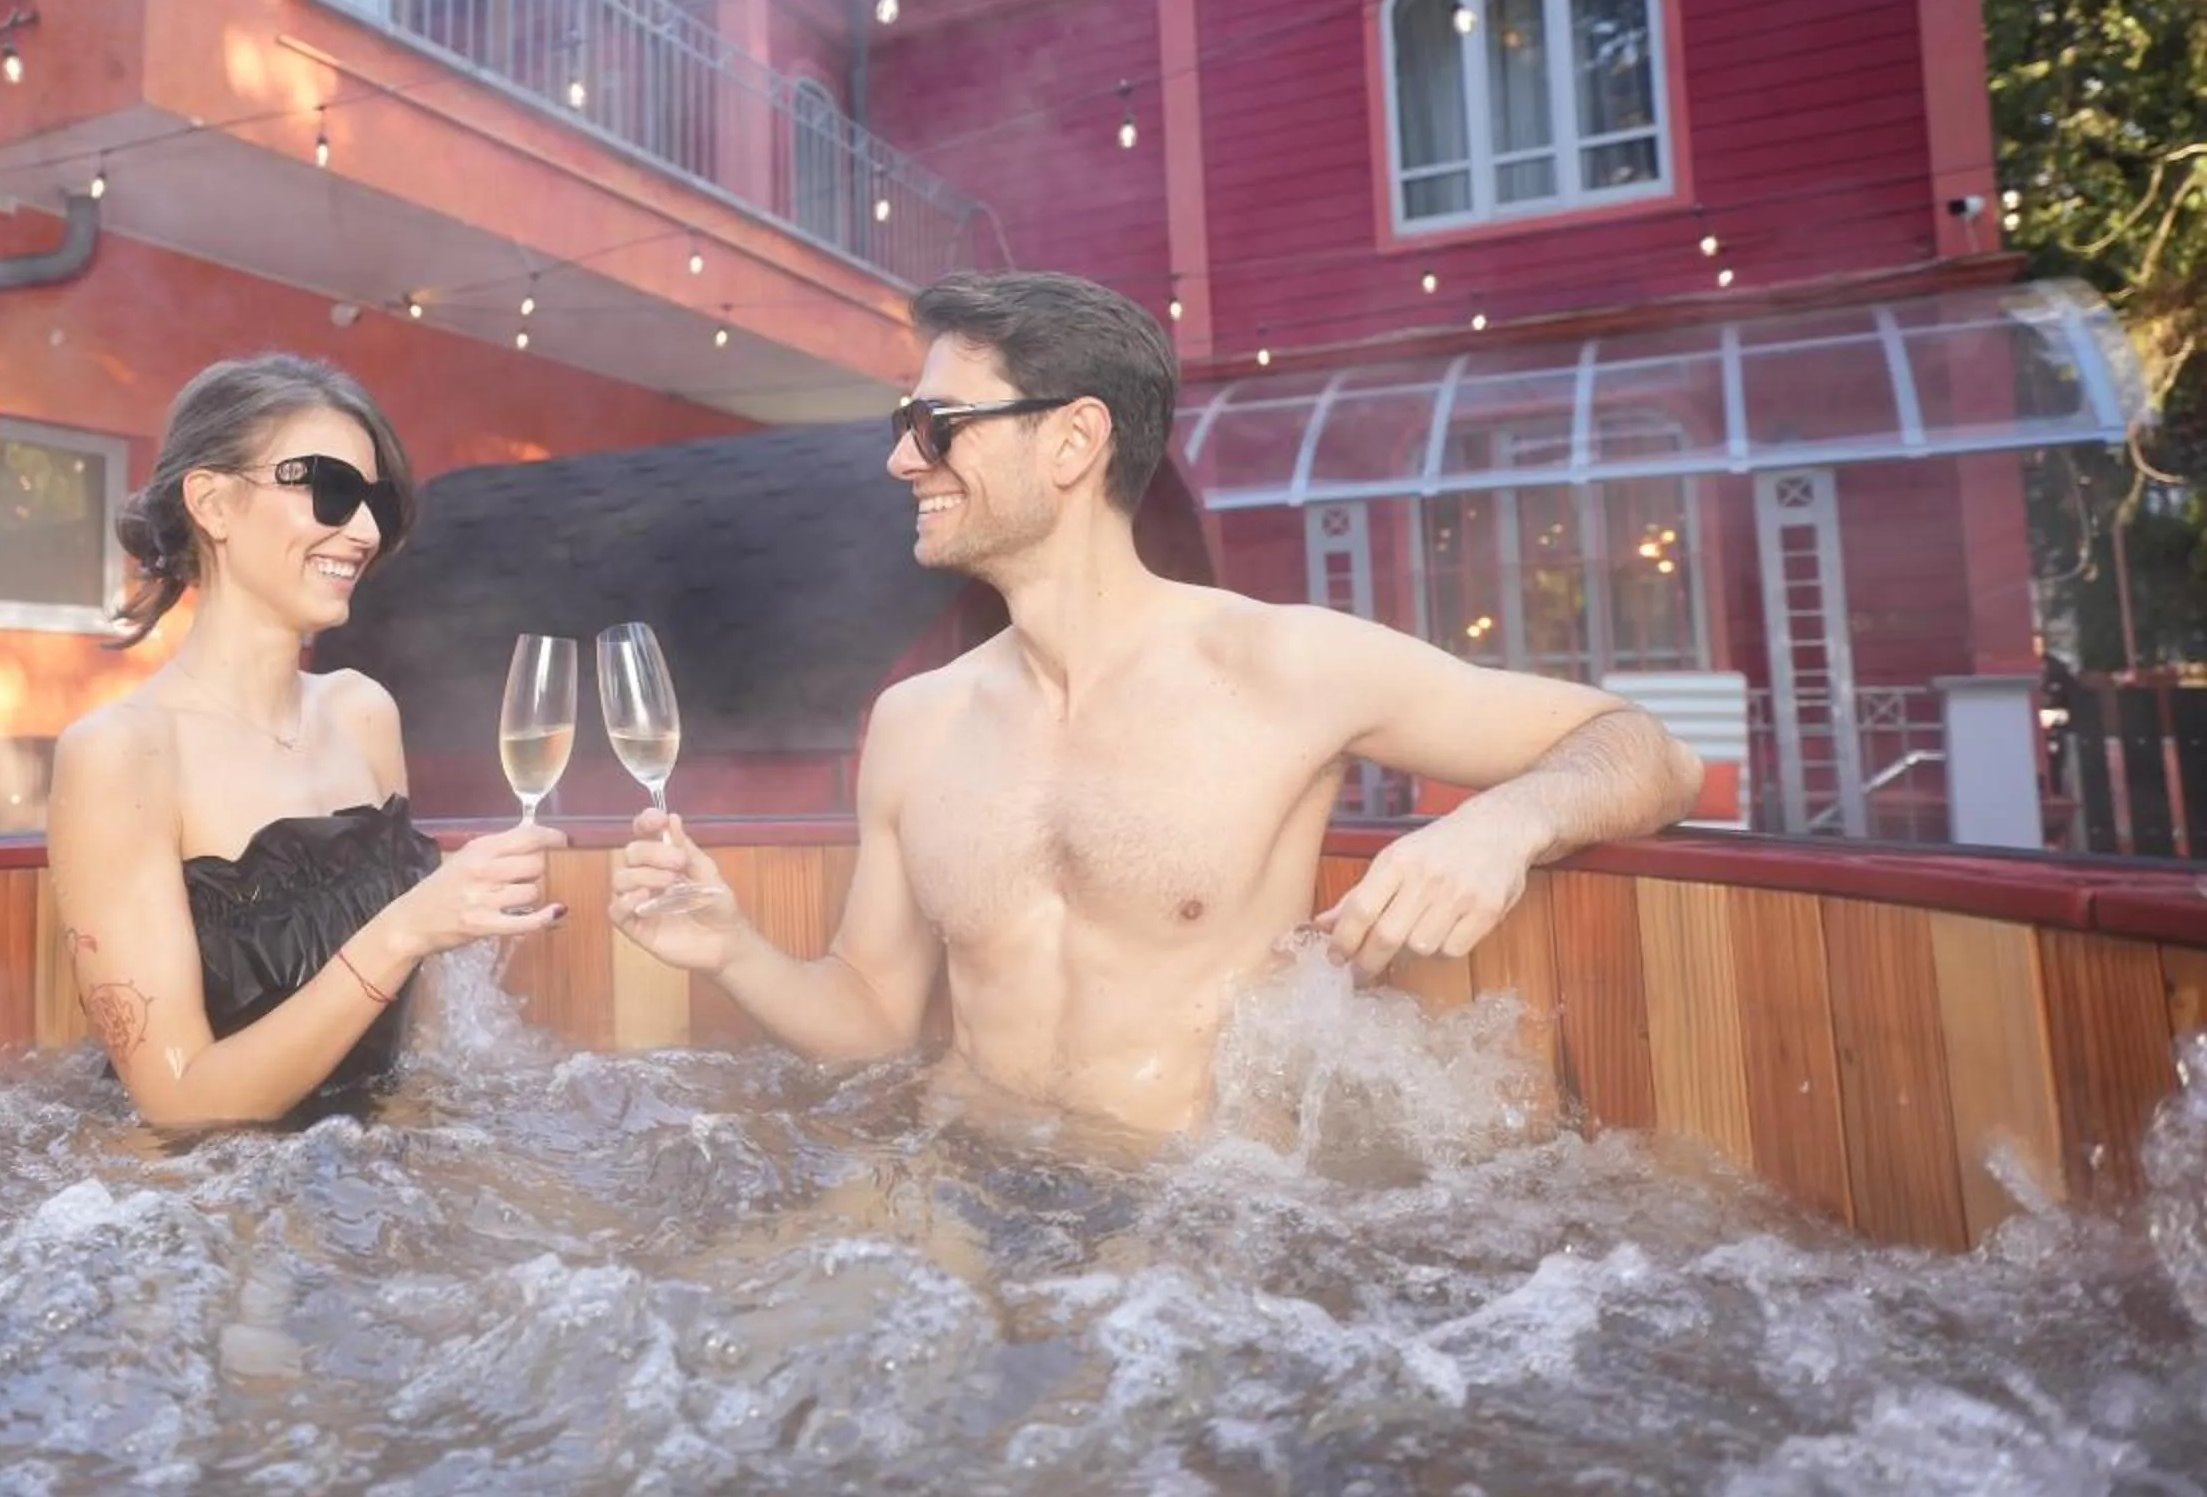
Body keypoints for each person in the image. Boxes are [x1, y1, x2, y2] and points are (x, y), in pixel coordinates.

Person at [610, 272, 1702, 1136]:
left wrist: (1499, 823)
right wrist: (732, 949)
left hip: (1185, 1222)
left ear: (1074, 439)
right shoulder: (918, 720)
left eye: (936, 421)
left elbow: (1647, 750)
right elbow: (873, 1018)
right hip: (962, 1173)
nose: (903, 457)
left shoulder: (1282, 664)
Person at [48, 355, 567, 1128]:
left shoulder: (363, 712)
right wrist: (407, 927)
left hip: (362, 1179)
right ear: (214, 503)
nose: (362, 530)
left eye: (374, 501)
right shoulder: (123, 754)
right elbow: (178, 1102)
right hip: (204, 1211)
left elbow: (407, 1038)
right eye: (329, 489)